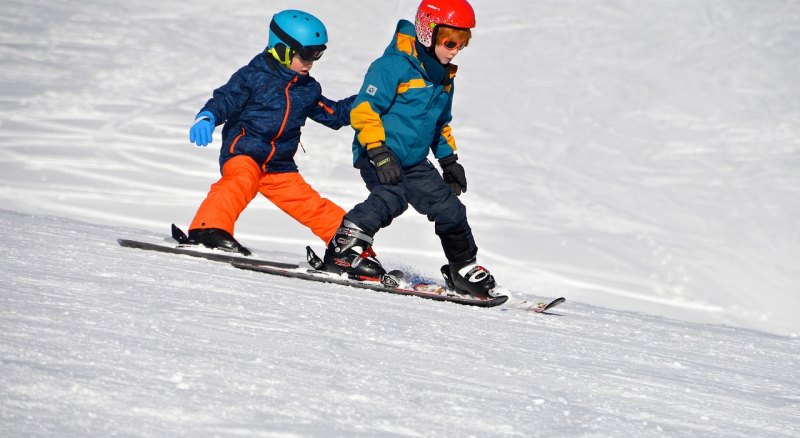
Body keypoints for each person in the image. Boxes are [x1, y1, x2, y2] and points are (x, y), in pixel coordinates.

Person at [321, 0, 497, 297]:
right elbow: (364, 110)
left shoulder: (443, 78)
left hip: (414, 162)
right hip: (377, 154)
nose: (455, 49)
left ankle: (462, 268)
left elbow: (441, 123)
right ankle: (344, 249)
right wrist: (377, 150)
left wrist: (449, 161)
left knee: (450, 208)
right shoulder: (392, 66)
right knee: (392, 195)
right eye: (450, 40)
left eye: (463, 42)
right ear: (428, 32)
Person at [183, 10, 355, 256]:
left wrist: (372, 100)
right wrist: (208, 116)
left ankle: (349, 248)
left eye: (317, 55)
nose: (310, 62)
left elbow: (335, 115)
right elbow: (226, 99)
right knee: (239, 182)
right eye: (306, 54)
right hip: (245, 153)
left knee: (311, 204)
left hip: (279, 165)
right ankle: (208, 229)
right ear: (282, 48)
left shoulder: (307, 88)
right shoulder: (253, 76)